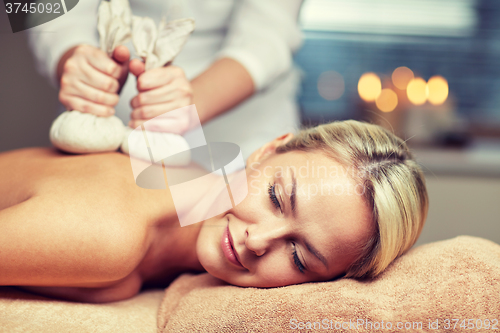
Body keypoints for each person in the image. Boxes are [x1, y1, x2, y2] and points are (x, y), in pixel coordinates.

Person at [0, 120, 428, 303]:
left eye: (298, 257)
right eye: (277, 198)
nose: (257, 242)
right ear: (268, 149)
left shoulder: (185, 176)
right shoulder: (111, 235)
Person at [28, 0, 304, 161]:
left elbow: (269, 34)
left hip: (239, 128)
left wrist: (187, 103)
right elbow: (51, 8)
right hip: (108, 109)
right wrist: (75, 59)